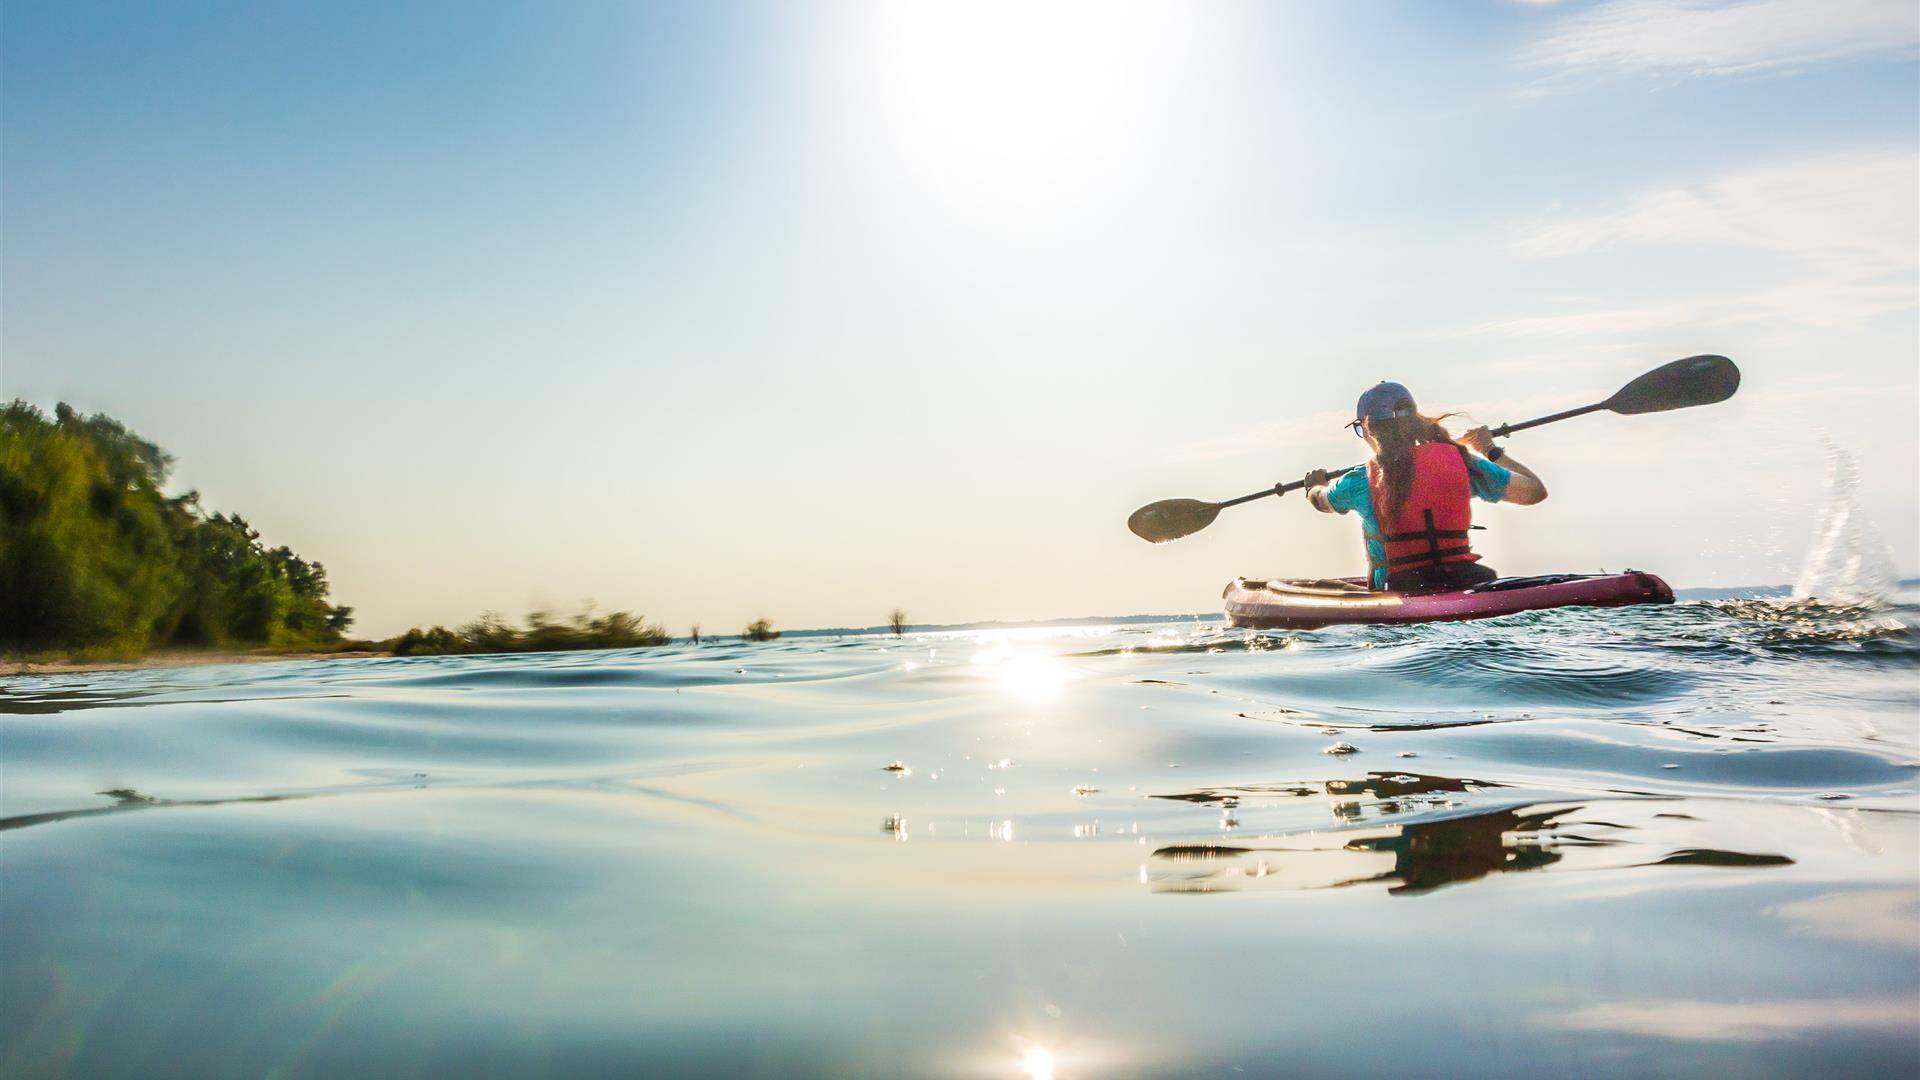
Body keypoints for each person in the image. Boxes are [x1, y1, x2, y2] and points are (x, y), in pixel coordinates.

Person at [1303, 381, 1547, 594]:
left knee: (1322, 587)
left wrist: (1313, 487)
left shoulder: (1359, 481)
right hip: (1465, 580)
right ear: (1414, 421)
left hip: (1398, 591)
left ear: (1368, 428)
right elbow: (1534, 491)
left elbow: (1321, 501)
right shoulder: (1462, 461)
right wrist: (1489, 450)